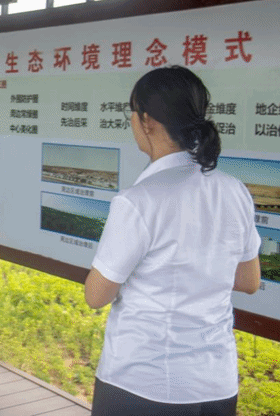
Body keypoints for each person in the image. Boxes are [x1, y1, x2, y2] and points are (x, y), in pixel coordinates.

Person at [84, 66, 262, 416]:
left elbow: (96, 295)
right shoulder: (234, 190)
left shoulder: (138, 201)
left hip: (142, 385)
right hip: (216, 384)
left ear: (146, 121)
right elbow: (248, 281)